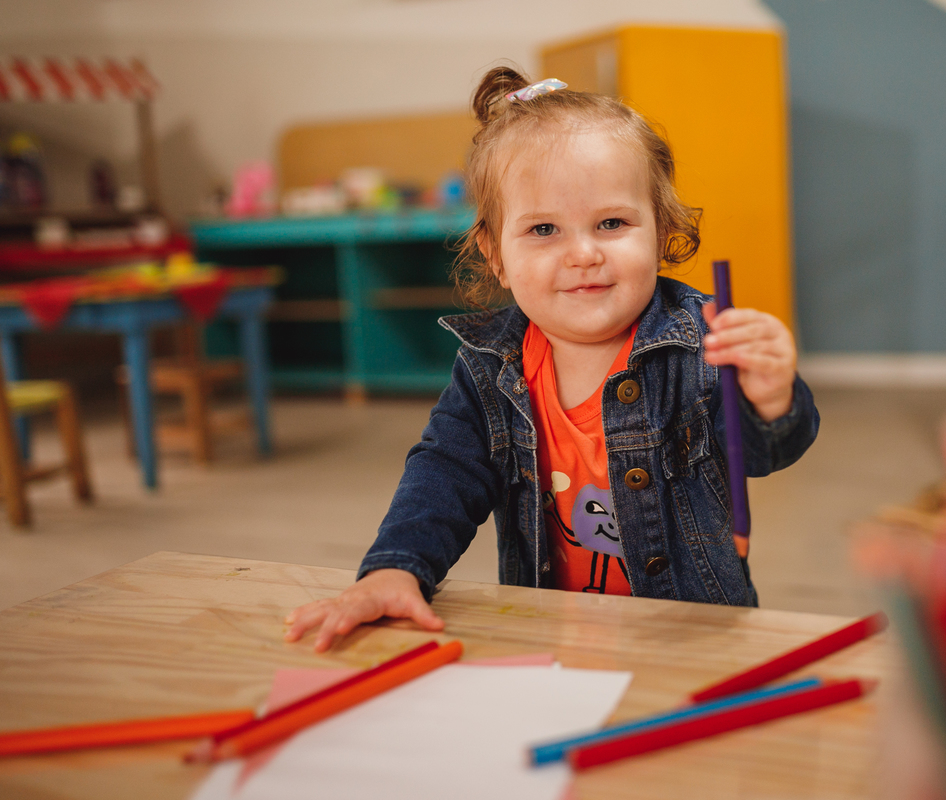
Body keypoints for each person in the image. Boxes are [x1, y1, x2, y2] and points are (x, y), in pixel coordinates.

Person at [285, 66, 819, 652]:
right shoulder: (490, 365)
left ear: (662, 230)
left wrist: (771, 399)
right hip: (552, 636)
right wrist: (396, 567)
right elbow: (445, 473)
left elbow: (763, 454)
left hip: (693, 638)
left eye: (612, 223)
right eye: (544, 229)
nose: (584, 253)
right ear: (495, 254)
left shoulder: (700, 340)